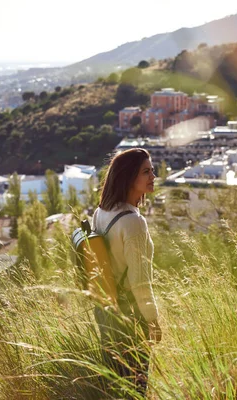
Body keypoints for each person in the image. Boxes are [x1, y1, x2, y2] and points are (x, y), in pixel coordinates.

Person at [92, 148, 161, 397]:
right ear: (128, 177)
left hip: (105, 310)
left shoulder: (101, 212)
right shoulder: (133, 223)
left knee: (114, 386)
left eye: (152, 170)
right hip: (131, 317)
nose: (153, 175)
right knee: (135, 389)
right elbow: (140, 283)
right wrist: (152, 320)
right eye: (146, 171)